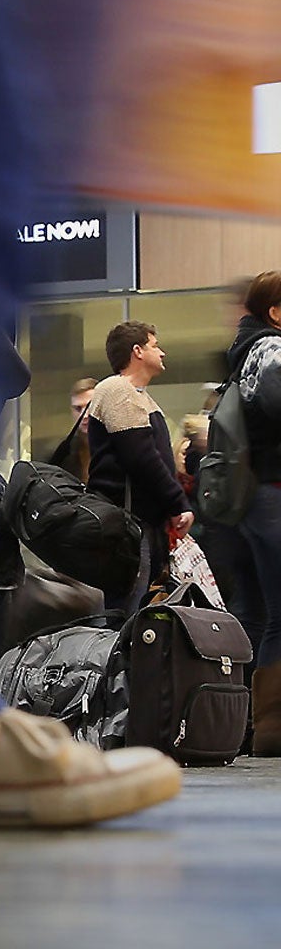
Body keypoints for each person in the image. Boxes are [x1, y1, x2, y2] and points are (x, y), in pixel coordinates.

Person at [83, 322, 193, 584]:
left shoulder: (140, 397)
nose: (162, 352)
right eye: (155, 346)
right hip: (128, 526)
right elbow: (141, 458)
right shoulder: (117, 390)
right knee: (126, 609)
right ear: (138, 351)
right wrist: (178, 502)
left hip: (142, 523)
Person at [224, 272, 281, 755]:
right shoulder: (272, 352)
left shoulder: (249, 352)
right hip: (274, 494)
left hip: (255, 498)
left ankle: (259, 728)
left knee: (263, 614)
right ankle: (268, 728)